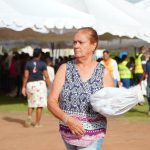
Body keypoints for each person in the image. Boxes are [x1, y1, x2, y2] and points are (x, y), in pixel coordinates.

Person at [48, 27, 114, 150]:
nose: (76, 46)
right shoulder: (64, 68)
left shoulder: (103, 72)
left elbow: (111, 105)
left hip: (93, 134)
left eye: (81, 42)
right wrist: (68, 120)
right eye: (74, 42)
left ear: (93, 45)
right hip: (67, 132)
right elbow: (51, 101)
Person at [22, 48, 51, 128]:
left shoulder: (28, 63)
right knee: (39, 105)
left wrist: (23, 87)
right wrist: (50, 87)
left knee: (31, 102)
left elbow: (25, 76)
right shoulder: (42, 64)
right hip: (39, 84)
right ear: (40, 55)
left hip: (30, 84)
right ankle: (37, 123)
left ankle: (29, 117)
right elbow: (46, 76)